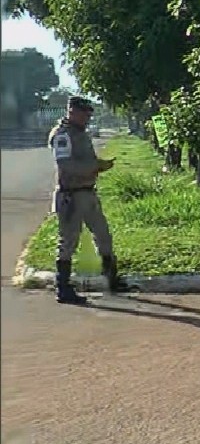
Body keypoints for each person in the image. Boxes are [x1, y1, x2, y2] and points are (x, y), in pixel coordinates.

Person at [48, 96, 129, 304]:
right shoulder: (63, 135)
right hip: (71, 195)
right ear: (72, 111)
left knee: (103, 235)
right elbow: (66, 166)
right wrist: (96, 166)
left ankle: (111, 278)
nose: (87, 117)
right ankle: (63, 287)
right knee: (68, 241)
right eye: (84, 113)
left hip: (87, 192)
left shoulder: (80, 133)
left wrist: (96, 166)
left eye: (89, 114)